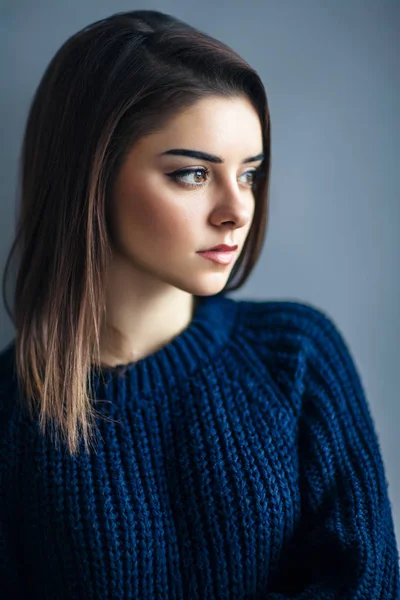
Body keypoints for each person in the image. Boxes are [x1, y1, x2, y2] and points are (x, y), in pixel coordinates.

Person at [0, 9, 398, 599]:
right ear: (91, 176)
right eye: (192, 174)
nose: (237, 210)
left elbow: (366, 580)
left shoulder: (297, 354)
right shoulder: (12, 417)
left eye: (251, 175)